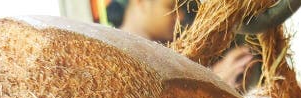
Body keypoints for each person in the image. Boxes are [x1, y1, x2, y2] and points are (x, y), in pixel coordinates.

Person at [105, 0, 254, 89]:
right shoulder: (114, 57)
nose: (180, 16)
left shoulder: (163, 54)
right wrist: (215, 82)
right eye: (171, 7)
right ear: (141, 2)